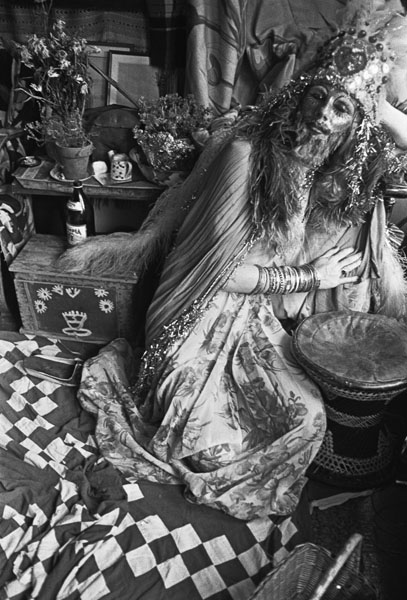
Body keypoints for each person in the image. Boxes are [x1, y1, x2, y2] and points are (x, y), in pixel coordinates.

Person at [76, 10, 407, 521]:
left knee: (307, 419)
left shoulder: (317, 170)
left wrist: (381, 108)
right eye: (318, 96)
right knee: (211, 449)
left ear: (353, 129)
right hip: (194, 314)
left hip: (251, 318)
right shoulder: (245, 153)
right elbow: (222, 274)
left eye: (341, 108)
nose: (322, 114)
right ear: (297, 94)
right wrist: (313, 277)